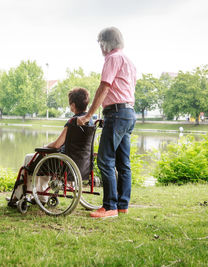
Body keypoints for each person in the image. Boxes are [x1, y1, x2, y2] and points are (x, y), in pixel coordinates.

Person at [77, 26, 137, 218]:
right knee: (123, 163)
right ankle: (122, 205)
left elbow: (104, 87)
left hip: (118, 114)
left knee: (105, 160)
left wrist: (88, 116)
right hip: (127, 113)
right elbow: (123, 90)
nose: (100, 48)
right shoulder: (129, 61)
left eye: (100, 44)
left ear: (105, 43)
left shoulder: (112, 58)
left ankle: (109, 207)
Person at [12, 87, 92, 203]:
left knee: (31, 158)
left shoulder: (73, 121)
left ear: (73, 105)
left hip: (64, 163)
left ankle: (18, 197)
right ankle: (40, 197)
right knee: (45, 159)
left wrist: (46, 145)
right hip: (81, 162)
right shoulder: (91, 122)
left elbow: (56, 145)